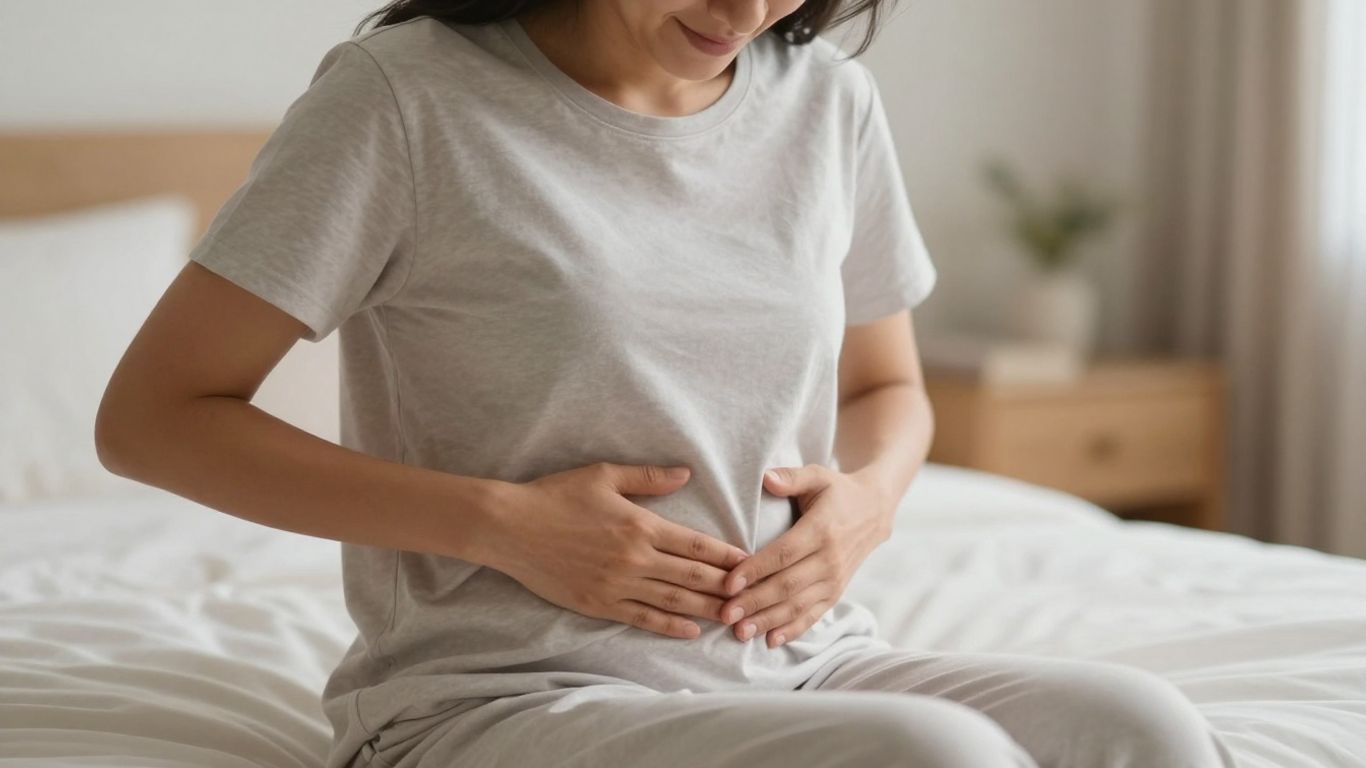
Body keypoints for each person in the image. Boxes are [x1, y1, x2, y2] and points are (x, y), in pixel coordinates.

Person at [95, 1, 1238, 766]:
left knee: (1145, 728)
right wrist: (505, 526)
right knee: (934, 757)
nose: (747, 10)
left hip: (806, 659)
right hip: (499, 695)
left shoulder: (826, 103)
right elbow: (151, 419)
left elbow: (888, 386)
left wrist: (866, 506)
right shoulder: (405, 99)